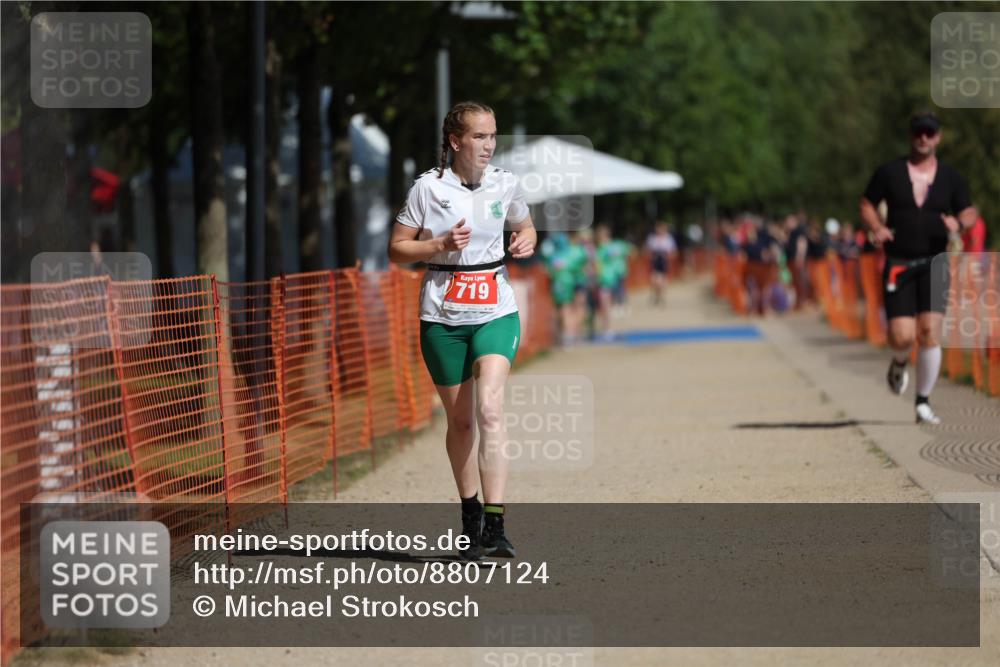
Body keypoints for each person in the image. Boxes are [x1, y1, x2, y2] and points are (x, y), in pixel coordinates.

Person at [388, 101, 536, 558]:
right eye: (479, 136)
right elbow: (396, 250)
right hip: (442, 317)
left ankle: (496, 525)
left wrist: (527, 238)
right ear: (456, 141)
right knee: (462, 420)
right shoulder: (427, 190)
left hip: (495, 309)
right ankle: (469, 512)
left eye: (493, 136)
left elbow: (525, 225)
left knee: (490, 411)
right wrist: (438, 244)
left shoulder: (505, 184)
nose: (489, 145)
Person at [859, 111, 979, 424]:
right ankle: (899, 362)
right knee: (902, 334)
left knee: (930, 332)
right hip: (899, 262)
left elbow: (969, 212)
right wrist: (876, 227)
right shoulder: (890, 173)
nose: (924, 138)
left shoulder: (951, 178)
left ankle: (923, 402)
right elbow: (866, 203)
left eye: (930, 132)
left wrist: (960, 224)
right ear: (911, 136)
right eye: (919, 132)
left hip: (935, 263)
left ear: (938, 137)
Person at [646, 221, 677, 306]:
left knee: (662, 280)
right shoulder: (652, 238)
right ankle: (657, 295)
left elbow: (673, 251)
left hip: (664, 260)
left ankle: (661, 296)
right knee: (654, 280)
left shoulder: (668, 238)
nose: (660, 230)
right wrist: (651, 257)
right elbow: (648, 250)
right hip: (655, 260)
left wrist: (667, 257)